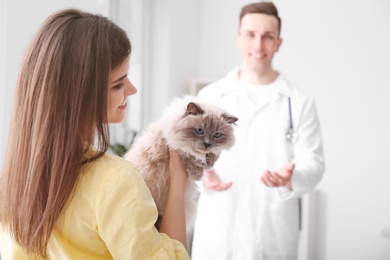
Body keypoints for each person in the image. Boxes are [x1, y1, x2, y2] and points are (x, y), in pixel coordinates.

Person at [0, 9, 189, 259]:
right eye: (118, 84)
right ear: (81, 94)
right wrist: (177, 185)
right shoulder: (115, 181)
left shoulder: (15, 179)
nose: (131, 90)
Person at [191, 2, 325, 260]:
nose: (258, 44)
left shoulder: (299, 102)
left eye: (267, 36)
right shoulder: (210, 96)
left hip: (271, 239)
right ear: (238, 39)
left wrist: (291, 178)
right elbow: (189, 156)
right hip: (217, 236)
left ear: (278, 43)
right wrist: (203, 175)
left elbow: (315, 164)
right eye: (251, 35)